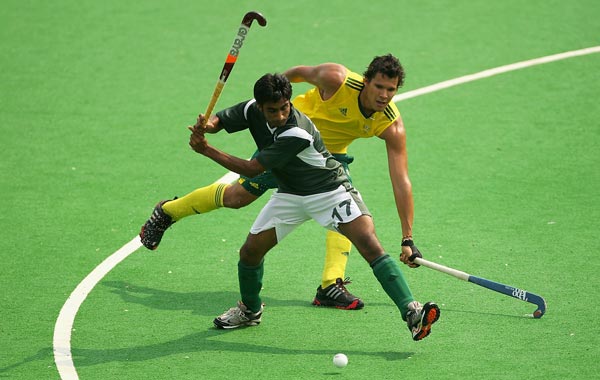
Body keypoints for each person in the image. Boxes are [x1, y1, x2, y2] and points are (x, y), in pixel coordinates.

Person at [140, 54, 417, 311]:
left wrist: (408, 237)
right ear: (366, 81)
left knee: (347, 215)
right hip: (284, 146)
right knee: (238, 197)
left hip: (327, 159)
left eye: (391, 90)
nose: (384, 95)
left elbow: (401, 179)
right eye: (379, 86)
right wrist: (275, 101)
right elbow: (296, 73)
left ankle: (330, 284)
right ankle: (168, 211)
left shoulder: (390, 123)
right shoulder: (336, 79)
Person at [187, 73, 439, 340]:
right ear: (260, 107)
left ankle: (412, 311)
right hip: (291, 194)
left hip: (329, 190)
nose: (281, 114)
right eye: (273, 110)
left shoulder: (296, 131)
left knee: (368, 242)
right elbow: (224, 120)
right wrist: (208, 125)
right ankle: (250, 310)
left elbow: (252, 168)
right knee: (250, 252)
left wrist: (206, 150)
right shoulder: (252, 109)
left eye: (285, 107)